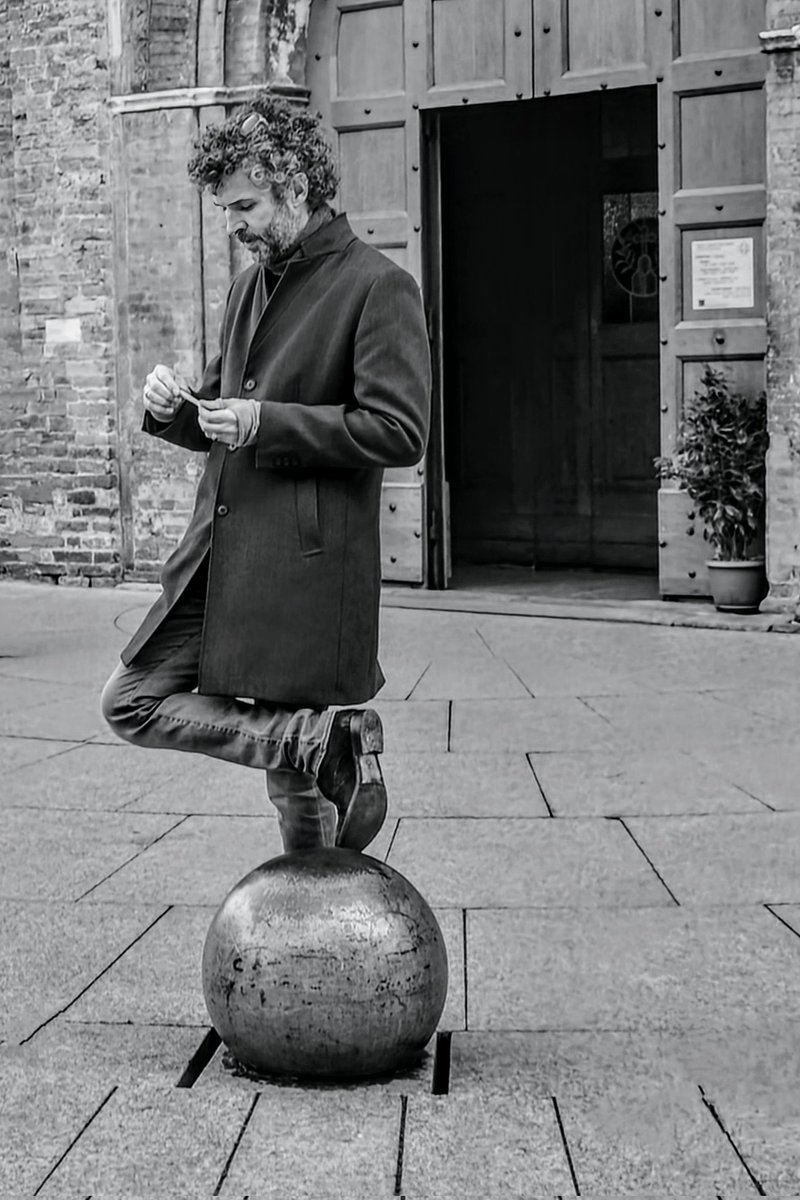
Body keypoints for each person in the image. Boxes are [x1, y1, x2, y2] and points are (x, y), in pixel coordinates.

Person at [101, 93, 431, 854]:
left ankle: (325, 930)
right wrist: (175, 406)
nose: (234, 225)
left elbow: (401, 431)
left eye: (244, 205)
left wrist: (268, 423)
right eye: (223, 210)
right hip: (218, 560)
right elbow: (226, 412)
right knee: (132, 702)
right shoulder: (251, 285)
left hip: (307, 565)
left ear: (297, 183)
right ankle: (317, 743)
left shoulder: (379, 286)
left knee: (295, 801)